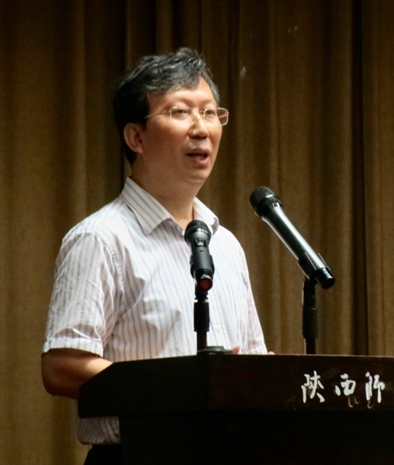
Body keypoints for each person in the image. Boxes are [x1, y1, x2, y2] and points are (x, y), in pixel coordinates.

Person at [41, 48, 268, 464]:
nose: (201, 129)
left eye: (210, 113)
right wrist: (181, 386)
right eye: (181, 112)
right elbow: (62, 366)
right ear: (136, 137)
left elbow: (249, 364)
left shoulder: (226, 245)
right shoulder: (101, 238)